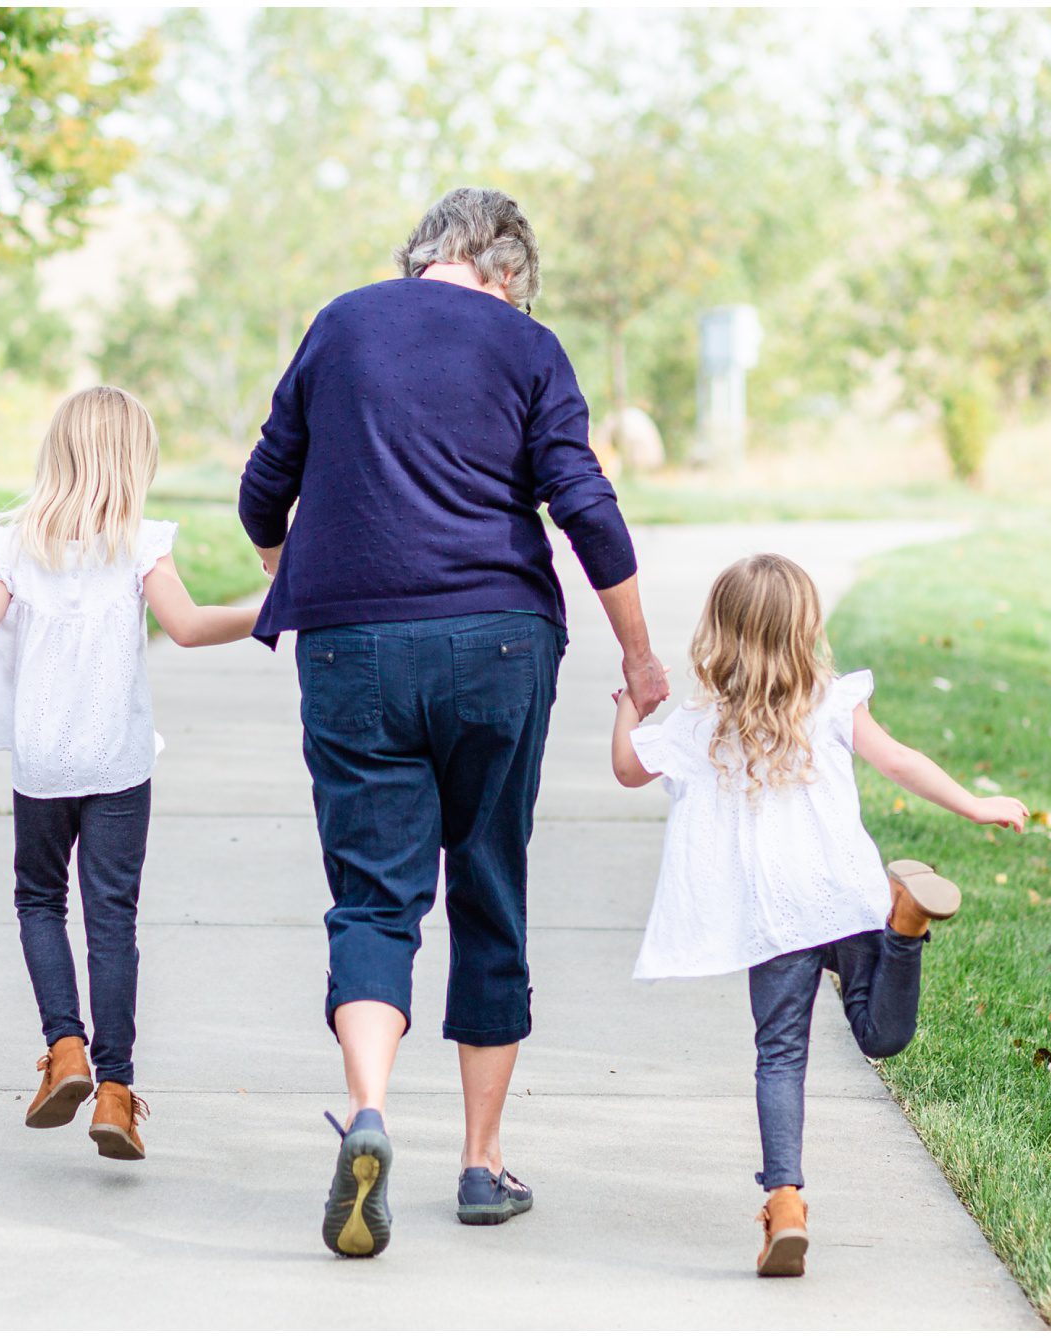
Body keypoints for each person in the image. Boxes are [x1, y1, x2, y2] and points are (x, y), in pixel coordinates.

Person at [237, 187, 670, 1256]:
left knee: (374, 900)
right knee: (486, 885)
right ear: (506, 273)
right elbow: (581, 502)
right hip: (497, 644)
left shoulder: (340, 323)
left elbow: (260, 488)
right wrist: (639, 652)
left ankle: (371, 1113)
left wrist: (287, 570)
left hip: (350, 651)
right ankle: (480, 1166)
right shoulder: (526, 346)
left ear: (419, 259)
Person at [0, 386, 257, 1160]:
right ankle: (113, 1088)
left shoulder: (16, 545)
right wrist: (279, 608)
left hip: (42, 762)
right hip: (118, 763)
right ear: (134, 462)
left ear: (59, 455)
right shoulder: (140, 543)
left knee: (40, 902)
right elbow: (190, 627)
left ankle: (64, 1049)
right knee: (112, 922)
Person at [611, 553, 1029, 1276]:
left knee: (780, 1055)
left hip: (774, 920)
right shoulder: (832, 701)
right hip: (846, 895)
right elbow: (900, 761)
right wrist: (975, 804)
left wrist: (630, 704)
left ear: (723, 631)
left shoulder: (704, 720)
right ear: (807, 628)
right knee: (881, 1036)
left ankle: (785, 1203)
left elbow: (625, 768)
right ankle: (907, 927)